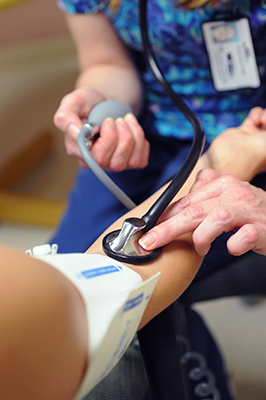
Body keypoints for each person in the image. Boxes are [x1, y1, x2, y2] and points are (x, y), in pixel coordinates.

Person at [51, 0, 266, 398]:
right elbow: (107, 62)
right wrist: (99, 100)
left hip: (254, 138)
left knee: (144, 288)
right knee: (65, 289)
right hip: (148, 138)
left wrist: (243, 152)